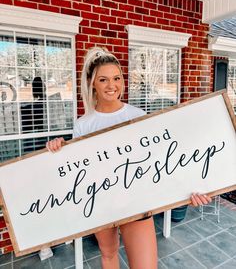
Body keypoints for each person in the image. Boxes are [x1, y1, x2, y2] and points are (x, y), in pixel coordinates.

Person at [46, 47, 212, 269]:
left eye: (116, 78)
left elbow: (161, 162)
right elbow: (77, 170)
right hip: (101, 203)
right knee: (108, 255)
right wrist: (58, 149)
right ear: (92, 83)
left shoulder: (137, 116)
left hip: (136, 202)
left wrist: (190, 188)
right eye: (103, 79)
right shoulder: (83, 125)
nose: (111, 85)